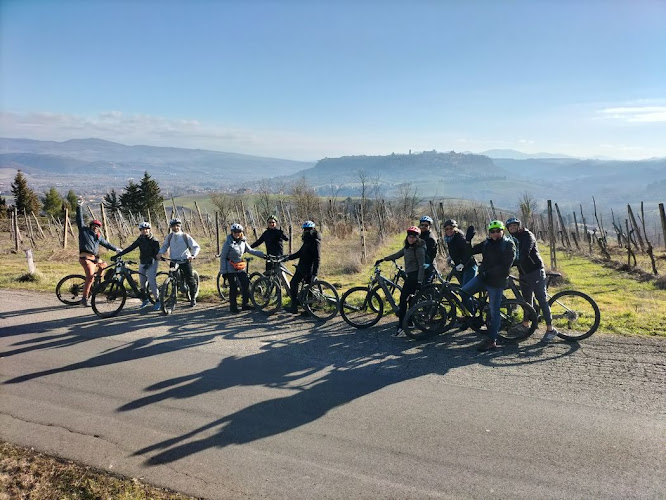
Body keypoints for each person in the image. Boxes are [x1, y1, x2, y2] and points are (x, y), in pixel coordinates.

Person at [462, 220, 516, 351]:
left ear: (503, 231)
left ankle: (492, 340)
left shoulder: (508, 245)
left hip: (496, 282)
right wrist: (468, 241)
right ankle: (475, 316)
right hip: (483, 278)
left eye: (498, 231)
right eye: (492, 231)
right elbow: (470, 252)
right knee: (463, 292)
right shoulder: (487, 243)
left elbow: (505, 267)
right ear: (489, 233)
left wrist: (488, 273)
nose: (495, 234)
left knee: (494, 311)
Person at [506, 217, 559, 342]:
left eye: (515, 225)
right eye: (510, 226)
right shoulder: (512, 238)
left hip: (535, 271)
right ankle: (526, 324)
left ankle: (551, 330)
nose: (513, 228)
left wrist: (509, 264)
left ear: (519, 226)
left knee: (541, 299)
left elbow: (524, 253)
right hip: (523, 273)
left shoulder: (527, 235)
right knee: (526, 300)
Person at [375, 225, 426, 336]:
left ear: (417, 238)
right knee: (410, 300)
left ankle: (402, 325)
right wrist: (384, 259)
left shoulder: (419, 249)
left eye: (413, 237)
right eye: (409, 236)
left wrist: (419, 281)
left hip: (414, 277)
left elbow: (422, 266)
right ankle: (410, 322)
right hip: (410, 275)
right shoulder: (408, 247)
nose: (411, 239)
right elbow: (398, 254)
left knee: (403, 300)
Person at [76, 200, 121, 307]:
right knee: (90, 277)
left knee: (104, 265)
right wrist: (79, 207)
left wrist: (117, 249)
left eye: (98, 226)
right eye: (94, 225)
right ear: (91, 225)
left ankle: (98, 284)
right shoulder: (84, 231)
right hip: (85, 258)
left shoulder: (98, 237)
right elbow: (79, 219)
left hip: (94, 258)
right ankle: (84, 299)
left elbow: (106, 244)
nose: (96, 227)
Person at [112, 221, 161, 310]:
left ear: (149, 230)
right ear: (140, 230)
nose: (145, 231)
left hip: (152, 262)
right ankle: (145, 299)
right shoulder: (140, 239)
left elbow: (156, 253)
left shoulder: (154, 240)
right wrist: (118, 255)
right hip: (143, 261)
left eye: (146, 229)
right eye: (143, 229)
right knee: (142, 283)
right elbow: (131, 247)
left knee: (151, 281)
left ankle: (158, 300)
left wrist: (150, 262)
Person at [220, 223, 265, 313]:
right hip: (230, 267)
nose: (237, 233)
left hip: (239, 265)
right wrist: (223, 272)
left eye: (239, 232)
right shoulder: (227, 243)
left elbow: (250, 250)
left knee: (246, 284)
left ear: (241, 232)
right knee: (233, 287)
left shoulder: (243, 241)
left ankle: (245, 304)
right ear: (232, 232)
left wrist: (263, 255)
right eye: (235, 232)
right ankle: (233, 307)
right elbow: (223, 257)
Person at [157, 218, 200, 307]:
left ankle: (193, 297)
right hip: (173, 261)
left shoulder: (185, 236)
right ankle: (173, 298)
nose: (175, 228)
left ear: (180, 226)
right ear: (171, 227)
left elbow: (196, 247)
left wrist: (192, 255)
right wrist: (160, 253)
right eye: (173, 226)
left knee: (190, 279)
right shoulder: (169, 237)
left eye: (177, 226)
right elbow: (165, 246)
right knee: (172, 279)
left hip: (185, 260)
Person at [284, 220, 321, 314]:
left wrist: (315, 274)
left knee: (305, 287)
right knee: (298, 285)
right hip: (302, 267)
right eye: (305, 229)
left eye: (309, 229)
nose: (307, 231)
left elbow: (317, 258)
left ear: (313, 229)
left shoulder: (315, 241)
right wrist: (288, 257)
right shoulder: (307, 240)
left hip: (309, 269)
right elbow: (299, 253)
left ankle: (305, 309)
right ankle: (296, 306)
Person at [442, 219, 477, 286]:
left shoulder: (460, 238)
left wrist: (462, 264)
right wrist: (450, 257)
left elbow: (468, 252)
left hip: (469, 266)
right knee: (462, 287)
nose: (449, 230)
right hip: (459, 266)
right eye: (447, 229)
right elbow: (455, 250)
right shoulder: (449, 239)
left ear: (455, 228)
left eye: (451, 228)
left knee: (466, 289)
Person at [418, 216, 438, 283]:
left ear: (429, 226)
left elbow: (431, 254)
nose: (423, 227)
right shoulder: (420, 235)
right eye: (422, 225)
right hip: (421, 265)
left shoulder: (430, 238)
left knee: (426, 286)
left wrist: (427, 264)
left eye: (426, 225)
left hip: (428, 266)